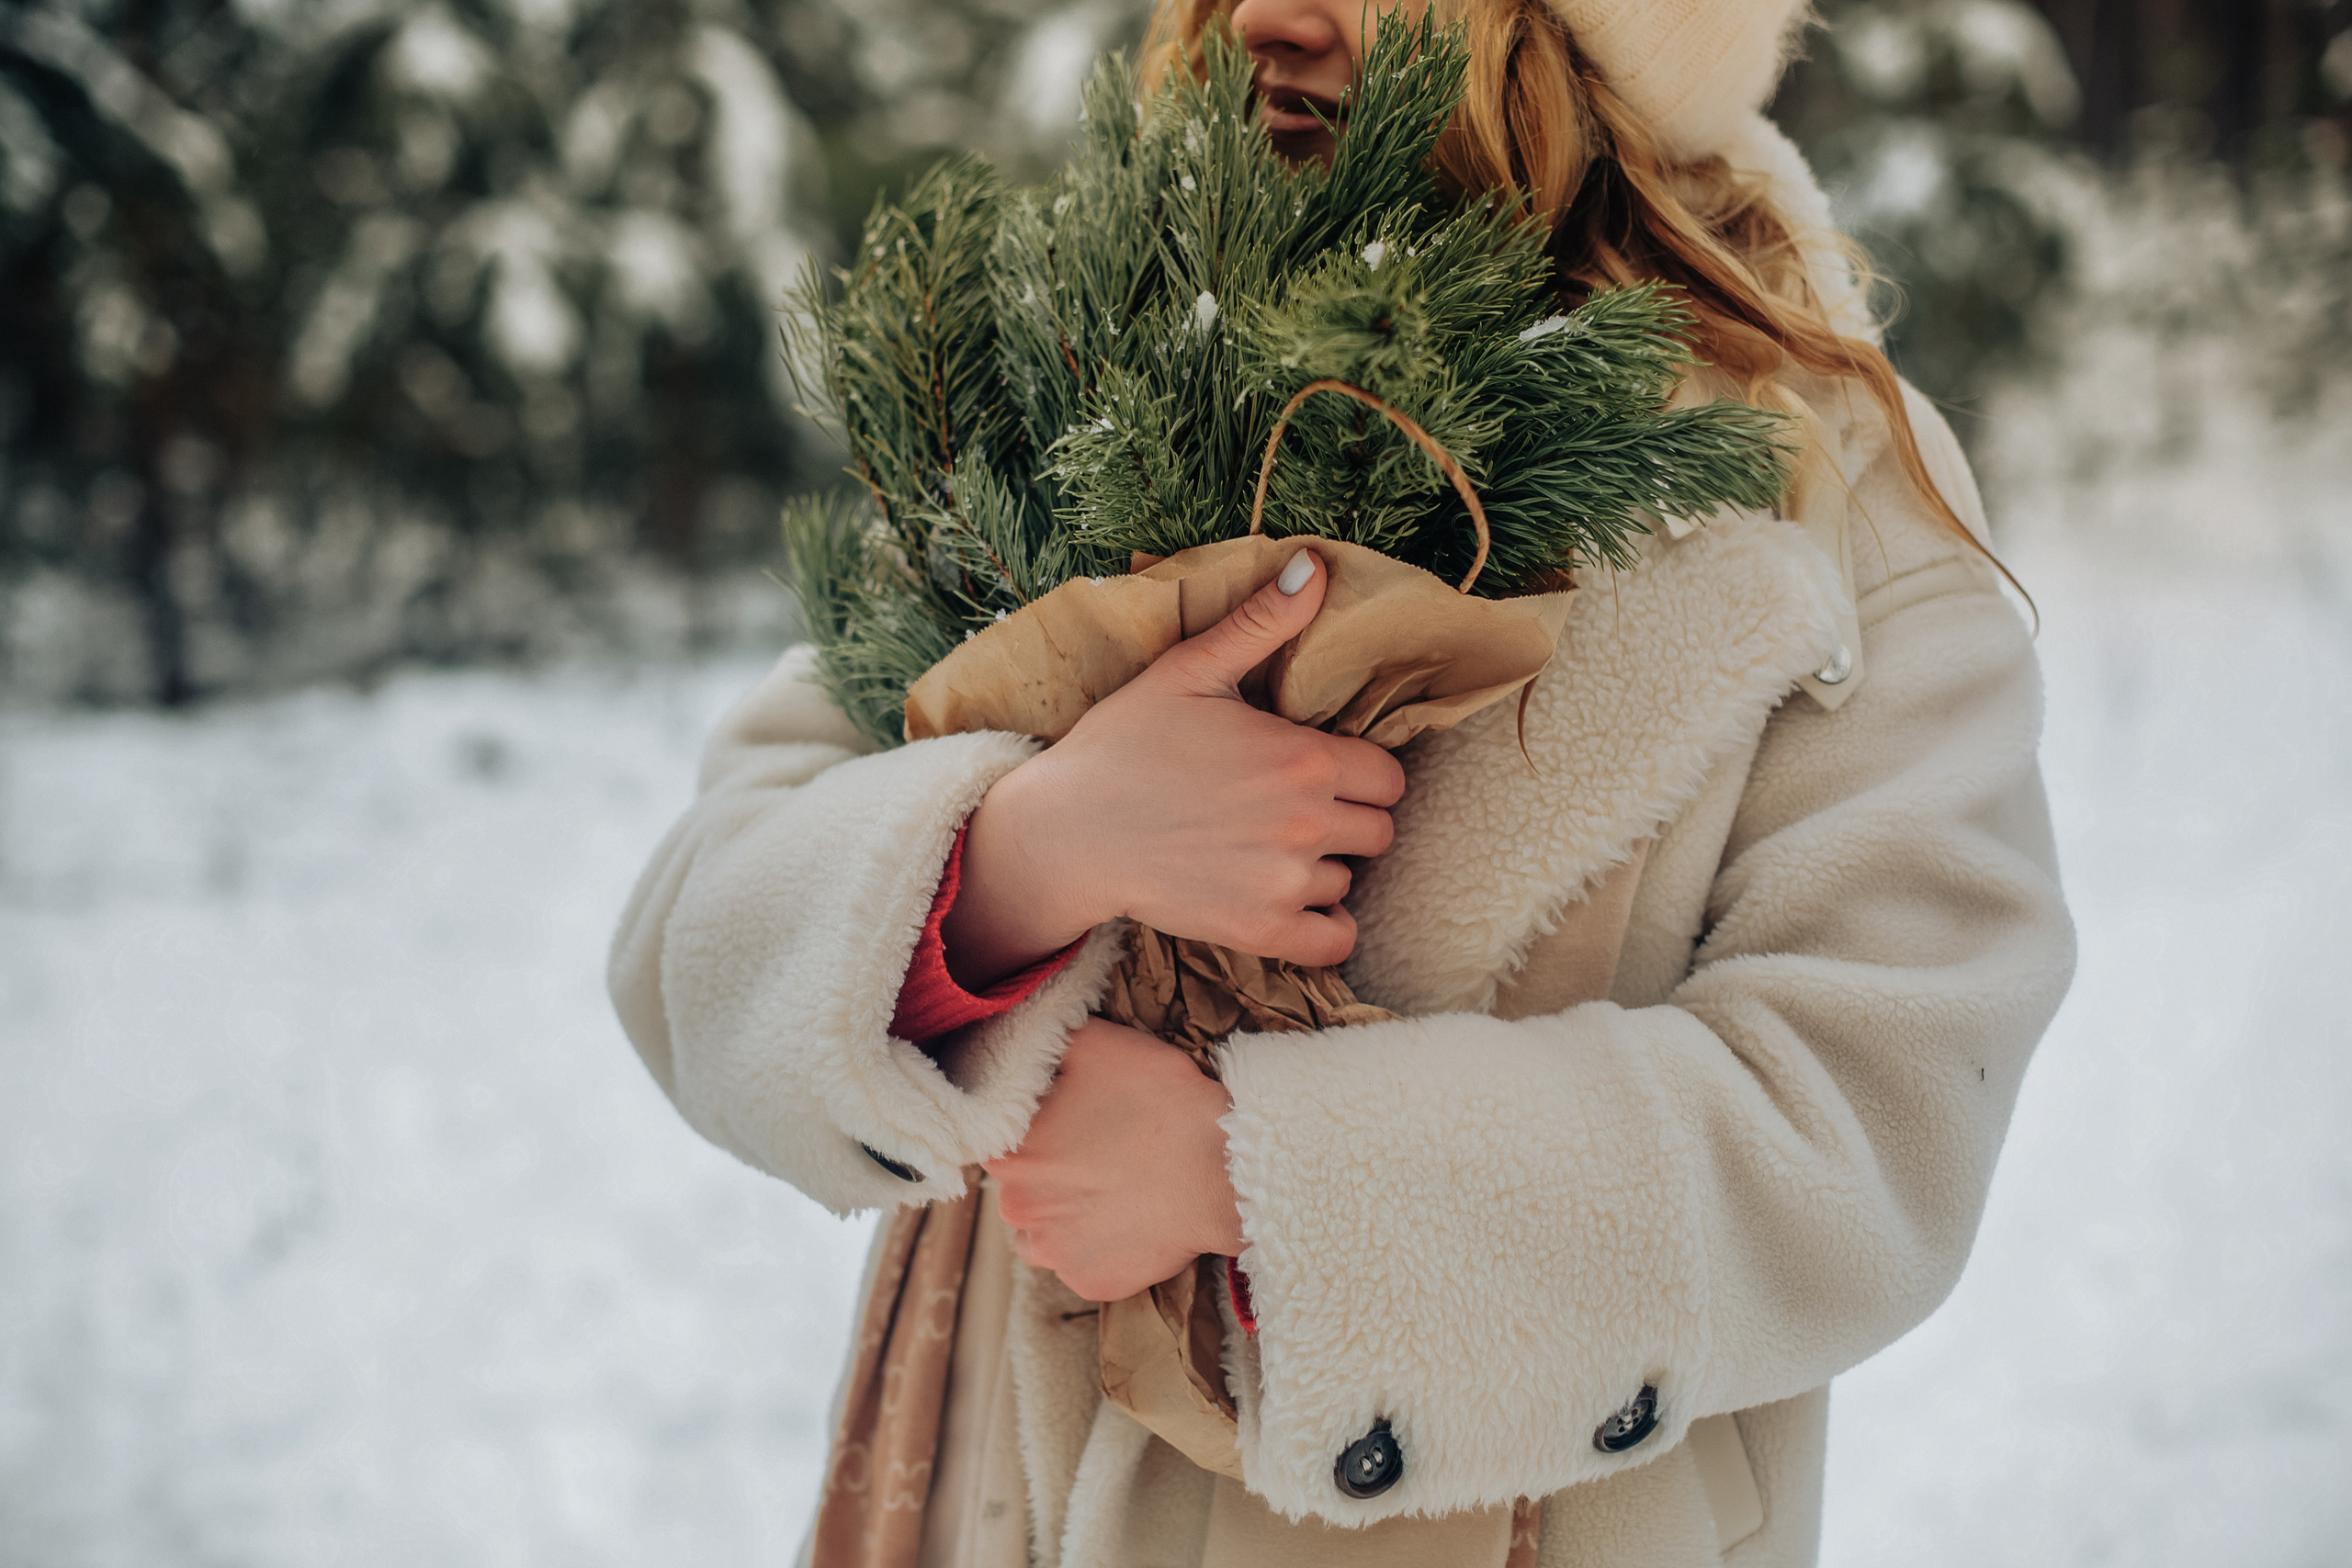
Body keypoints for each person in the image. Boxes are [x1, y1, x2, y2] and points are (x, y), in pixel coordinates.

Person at [607, 0, 2076, 1562]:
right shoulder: (1088, 358)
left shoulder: (1820, 475)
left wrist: (1260, 1181)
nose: (1265, 14)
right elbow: (696, 937)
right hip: (991, 1494)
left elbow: (1873, 1125)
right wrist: (1024, 855)